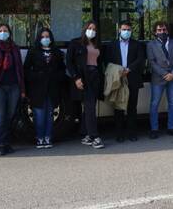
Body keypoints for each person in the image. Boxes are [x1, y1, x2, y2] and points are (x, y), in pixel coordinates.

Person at [0, 24, 25, 156]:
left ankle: (7, 143)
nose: (3, 33)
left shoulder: (15, 48)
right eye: (0, 31)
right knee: (0, 117)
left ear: (10, 33)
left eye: (5, 31)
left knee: (10, 115)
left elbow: (19, 70)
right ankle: (1, 144)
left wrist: (22, 89)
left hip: (14, 86)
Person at [23, 28, 66, 149]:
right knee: (39, 115)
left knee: (50, 115)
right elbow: (26, 70)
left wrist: (56, 76)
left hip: (52, 88)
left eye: (47, 37)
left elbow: (62, 69)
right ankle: (39, 137)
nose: (45, 39)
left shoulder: (56, 52)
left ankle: (48, 137)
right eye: (43, 37)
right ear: (39, 38)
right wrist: (37, 76)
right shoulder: (33, 51)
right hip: (37, 89)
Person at [66, 21, 105, 149]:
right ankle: (95, 136)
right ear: (85, 29)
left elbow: (99, 62)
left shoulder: (97, 44)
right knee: (90, 107)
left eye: (94, 29)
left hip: (95, 77)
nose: (92, 31)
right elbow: (69, 62)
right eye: (90, 28)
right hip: (83, 77)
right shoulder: (75, 43)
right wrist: (76, 78)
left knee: (89, 106)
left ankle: (86, 135)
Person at [105, 21, 145, 142]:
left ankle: (132, 133)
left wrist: (129, 69)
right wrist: (118, 70)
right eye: (124, 29)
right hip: (118, 79)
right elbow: (107, 60)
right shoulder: (112, 45)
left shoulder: (137, 45)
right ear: (119, 30)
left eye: (128, 30)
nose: (126, 32)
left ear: (131, 31)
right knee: (118, 107)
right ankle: (119, 134)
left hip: (132, 78)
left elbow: (141, 59)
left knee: (132, 107)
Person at [146, 21, 173, 139]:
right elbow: (152, 62)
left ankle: (171, 128)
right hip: (158, 78)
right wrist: (165, 74)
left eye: (164, 30)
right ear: (155, 32)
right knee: (154, 104)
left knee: (172, 103)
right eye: (159, 30)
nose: (162, 32)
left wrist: (172, 74)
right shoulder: (150, 45)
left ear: (167, 30)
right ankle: (154, 129)